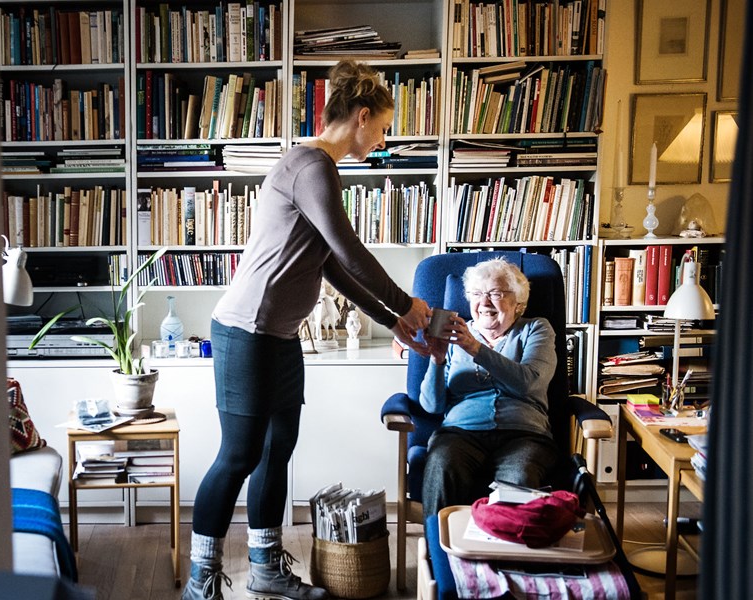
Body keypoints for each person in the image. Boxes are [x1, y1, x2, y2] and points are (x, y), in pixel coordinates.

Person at [182, 60, 432, 600]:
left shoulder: (319, 170)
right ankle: (200, 580)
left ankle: (267, 568)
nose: (383, 138)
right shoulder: (311, 165)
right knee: (239, 455)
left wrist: (394, 319)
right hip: (244, 333)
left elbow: (331, 267)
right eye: (383, 127)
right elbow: (349, 253)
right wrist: (407, 304)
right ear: (362, 117)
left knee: (278, 450)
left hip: (280, 337)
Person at [419, 258, 559, 517]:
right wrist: (437, 360)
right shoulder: (453, 336)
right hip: (460, 433)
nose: (484, 303)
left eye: (495, 294)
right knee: (442, 464)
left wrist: (474, 348)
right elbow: (431, 405)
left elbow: (529, 383)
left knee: (519, 477)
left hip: (524, 434)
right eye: (476, 294)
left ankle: (508, 556)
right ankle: (438, 551)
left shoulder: (535, 329)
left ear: (519, 304)